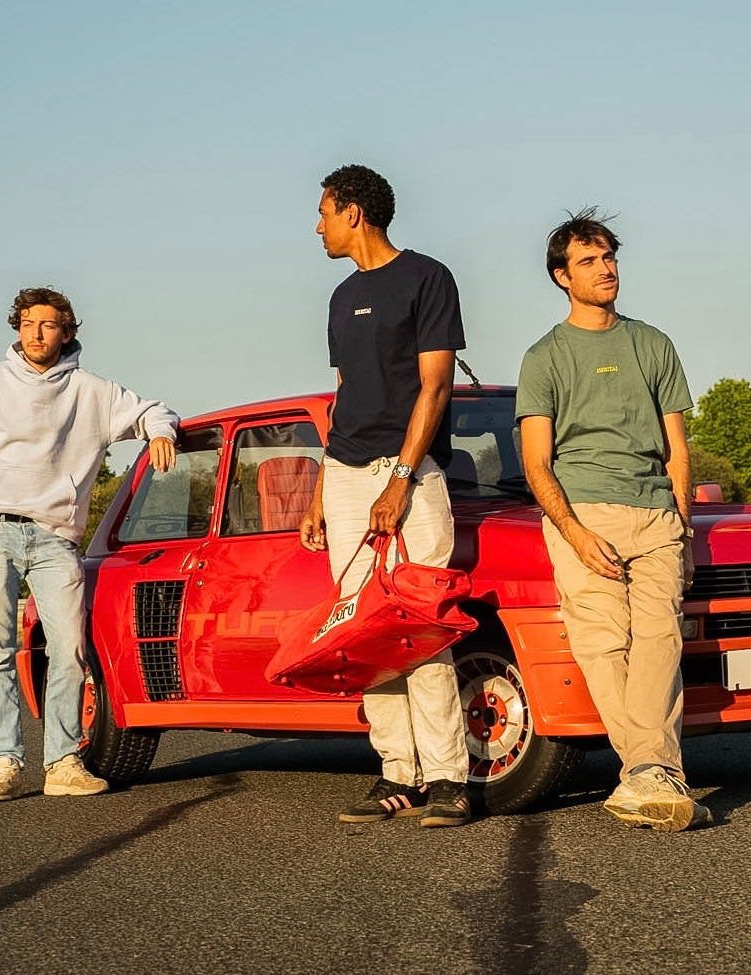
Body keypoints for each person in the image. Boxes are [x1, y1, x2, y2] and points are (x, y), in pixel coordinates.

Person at [0, 287, 179, 803]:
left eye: (47, 325)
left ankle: (63, 763)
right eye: (27, 324)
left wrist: (161, 432)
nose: (35, 334)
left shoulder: (91, 391)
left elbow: (154, 410)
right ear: (17, 328)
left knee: (69, 649)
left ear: (66, 332)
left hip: (55, 537)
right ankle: (4, 765)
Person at [516, 208, 710, 831]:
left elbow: (677, 451)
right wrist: (574, 532)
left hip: (656, 515)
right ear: (561, 276)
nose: (605, 269)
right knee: (604, 647)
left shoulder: (652, 344)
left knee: (660, 640)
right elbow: (537, 463)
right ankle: (654, 772)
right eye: (589, 261)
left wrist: (684, 528)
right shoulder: (543, 357)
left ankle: (645, 775)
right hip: (584, 514)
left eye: (609, 258)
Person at [298, 163, 472, 828]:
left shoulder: (428, 278)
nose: (316, 227)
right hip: (345, 474)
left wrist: (400, 479)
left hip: (409, 473)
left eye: (323, 213)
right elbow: (344, 394)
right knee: (363, 628)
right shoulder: (341, 296)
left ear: (353, 213)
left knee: (419, 625)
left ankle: (450, 777)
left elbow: (436, 386)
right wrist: (321, 490)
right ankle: (397, 772)